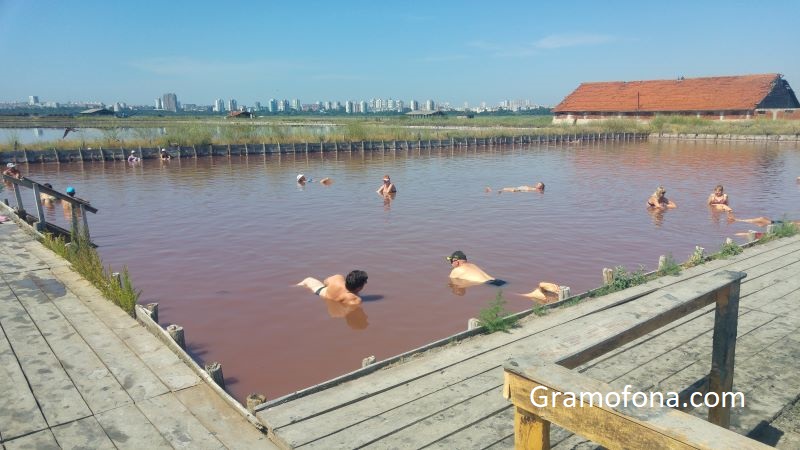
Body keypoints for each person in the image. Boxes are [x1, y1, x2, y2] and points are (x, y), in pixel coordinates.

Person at [297, 270, 368, 306]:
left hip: (317, 290)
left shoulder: (338, 278)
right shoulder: (356, 299)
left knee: (307, 280)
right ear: (359, 287)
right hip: (324, 297)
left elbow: (325, 282)